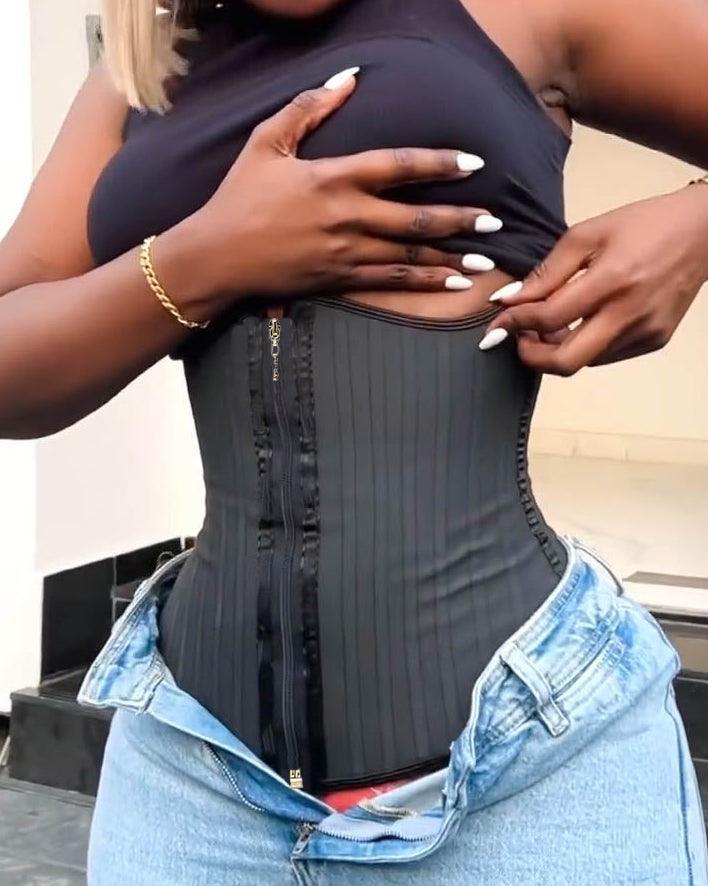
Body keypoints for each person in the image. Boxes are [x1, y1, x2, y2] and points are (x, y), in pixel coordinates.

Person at [1, 0, 707, 882]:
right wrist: (202, 259)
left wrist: (693, 228)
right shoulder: (140, 67)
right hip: (193, 788)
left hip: (529, 781)